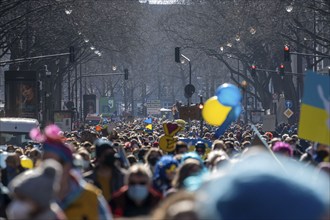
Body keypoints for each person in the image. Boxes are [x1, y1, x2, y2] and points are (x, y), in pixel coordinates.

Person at [30, 124, 113, 220]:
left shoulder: (91, 197)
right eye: (46, 162)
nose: (51, 167)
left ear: (69, 165)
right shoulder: (31, 197)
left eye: (58, 162)